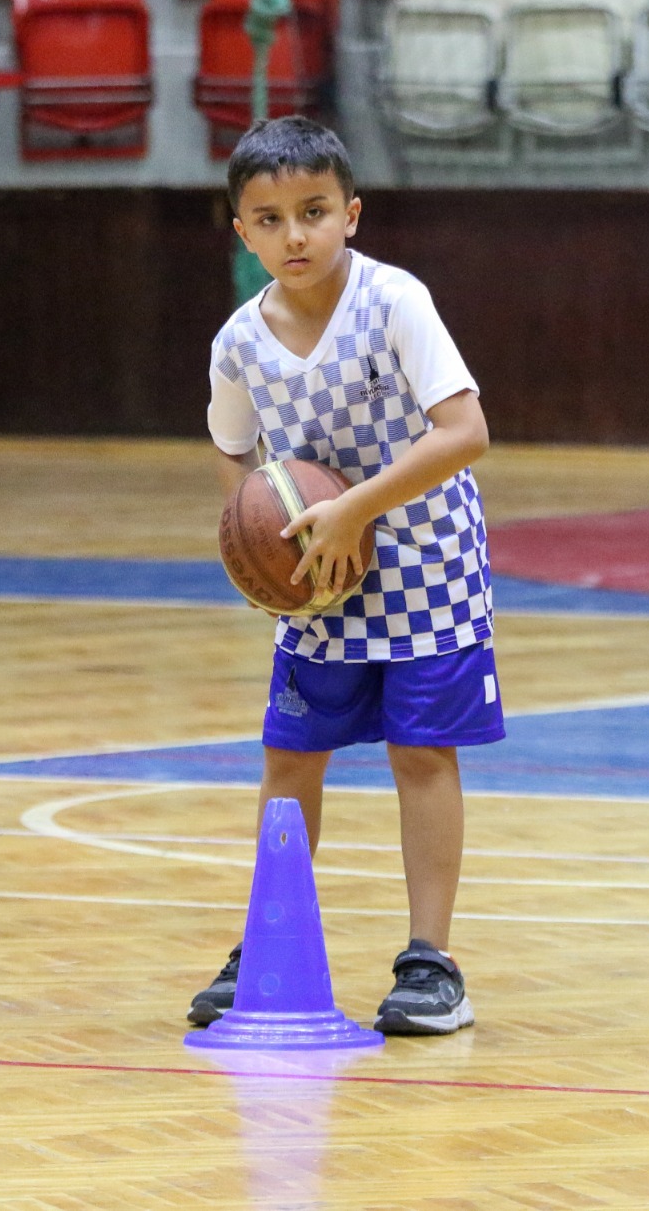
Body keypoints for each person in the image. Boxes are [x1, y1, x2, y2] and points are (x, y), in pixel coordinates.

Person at [190, 117, 502, 1036]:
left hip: (426, 561)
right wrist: (262, 558)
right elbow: (233, 458)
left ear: (351, 215)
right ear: (241, 232)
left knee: (421, 752)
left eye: (315, 211)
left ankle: (430, 963)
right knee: (290, 755)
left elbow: (466, 431)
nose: (295, 234)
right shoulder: (238, 344)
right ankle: (269, 937)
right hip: (321, 575)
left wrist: (357, 507)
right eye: (270, 218)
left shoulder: (396, 301)